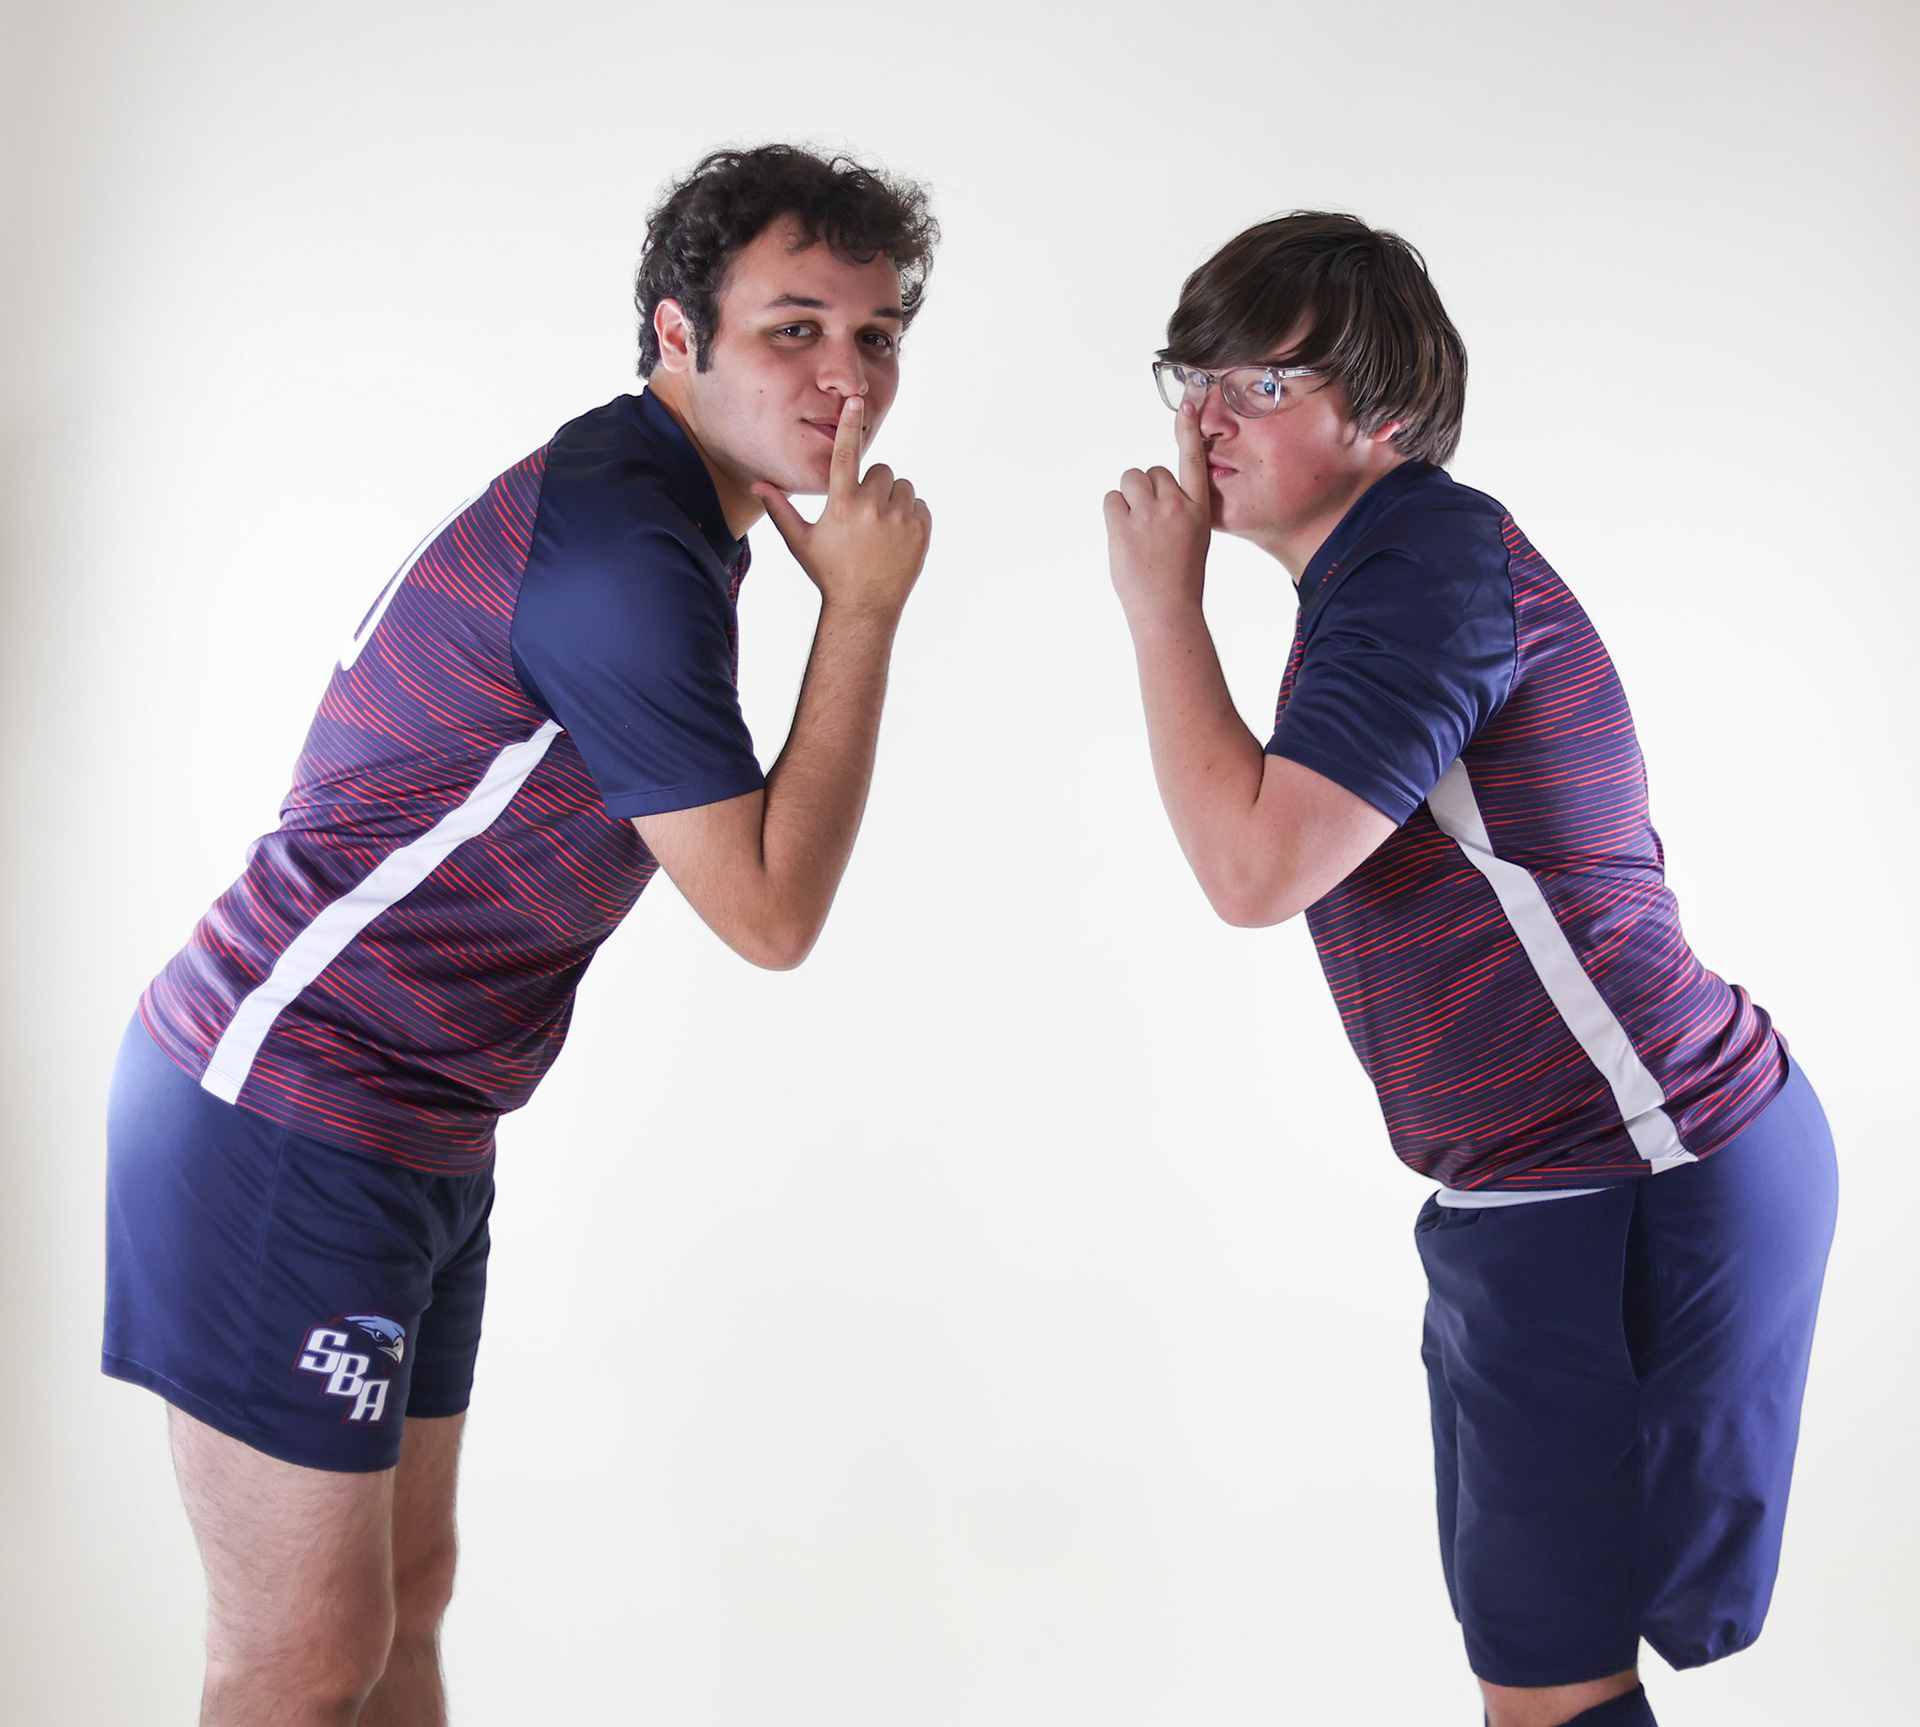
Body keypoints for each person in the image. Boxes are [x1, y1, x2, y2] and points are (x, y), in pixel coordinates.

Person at [103, 143, 936, 1726]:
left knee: (408, 1604)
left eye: (877, 334)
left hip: (419, 1123)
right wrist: (868, 616)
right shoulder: (627, 549)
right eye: (795, 327)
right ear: (677, 338)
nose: (848, 377)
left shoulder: (668, 510)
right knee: (297, 1662)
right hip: (285, 1110)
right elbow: (766, 912)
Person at [1102, 211, 1835, 1727]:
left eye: (1258, 384)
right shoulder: (1381, 574)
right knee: (1544, 1677)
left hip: (1626, 1178)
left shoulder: (1423, 570)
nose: (1202, 418)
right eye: (1194, 373)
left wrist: (1162, 607)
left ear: (1382, 417)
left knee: (1552, 1696)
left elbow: (1253, 868)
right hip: (1553, 1182)